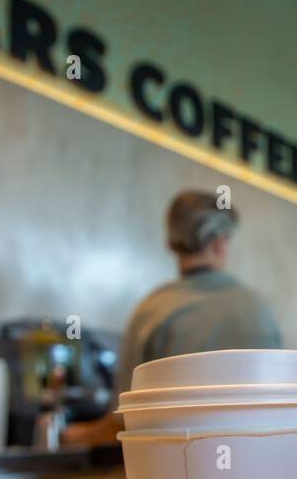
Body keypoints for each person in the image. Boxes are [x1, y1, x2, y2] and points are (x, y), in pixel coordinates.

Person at [64, 189, 281, 446]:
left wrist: (68, 434)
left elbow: (123, 423)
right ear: (221, 242)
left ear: (170, 244)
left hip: (174, 478)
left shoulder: (152, 311)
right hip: (259, 471)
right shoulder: (261, 310)